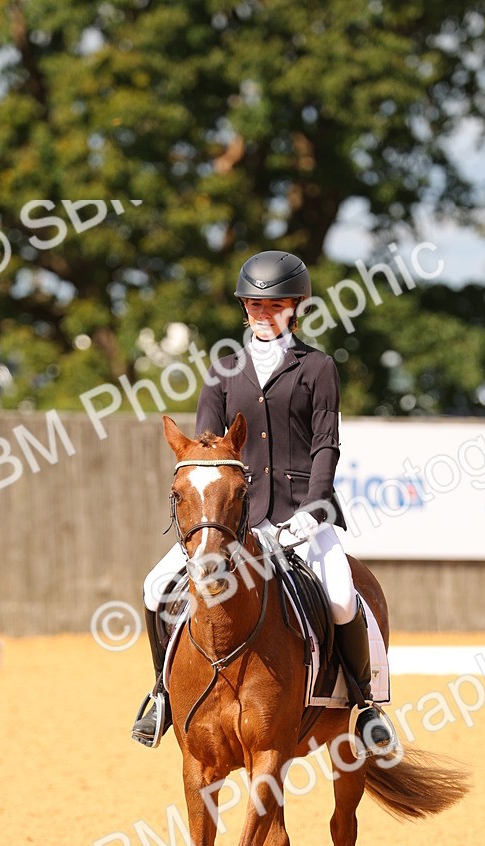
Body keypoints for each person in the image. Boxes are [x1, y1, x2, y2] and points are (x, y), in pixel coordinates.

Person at [131, 250, 397, 755]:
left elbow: (326, 444)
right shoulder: (224, 369)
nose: (262, 313)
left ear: (295, 306)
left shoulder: (317, 367)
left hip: (302, 515)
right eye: (253, 304)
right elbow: (207, 444)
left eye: (273, 305)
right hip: (233, 523)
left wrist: (311, 512)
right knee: (153, 588)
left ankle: (366, 708)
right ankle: (162, 695)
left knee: (341, 595)